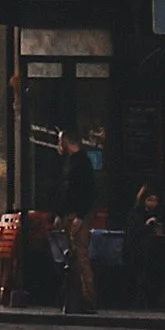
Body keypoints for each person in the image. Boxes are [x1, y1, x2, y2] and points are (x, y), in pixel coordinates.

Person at [55, 127, 101, 314]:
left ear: (66, 141)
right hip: (70, 214)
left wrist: (81, 216)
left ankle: (88, 298)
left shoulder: (81, 162)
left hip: (77, 215)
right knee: (73, 257)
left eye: (60, 140)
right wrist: (60, 213)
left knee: (81, 256)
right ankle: (75, 296)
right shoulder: (70, 162)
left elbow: (89, 192)